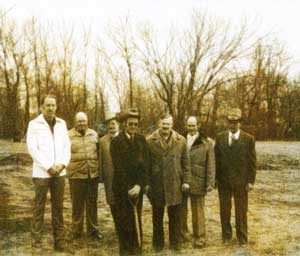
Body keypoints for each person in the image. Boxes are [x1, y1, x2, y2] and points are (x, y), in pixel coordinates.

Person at [26, 94, 71, 252]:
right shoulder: (34, 124)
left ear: (56, 107)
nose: (51, 108)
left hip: (59, 173)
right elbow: (32, 148)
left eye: (53, 105)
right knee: (39, 208)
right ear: (41, 107)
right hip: (41, 174)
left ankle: (60, 241)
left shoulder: (61, 124)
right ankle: (36, 243)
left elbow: (66, 147)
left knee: (58, 209)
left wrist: (62, 164)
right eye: (48, 105)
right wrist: (47, 167)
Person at [147, 114, 191, 252]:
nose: (165, 127)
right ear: (158, 124)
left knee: (175, 217)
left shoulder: (181, 141)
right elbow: (146, 166)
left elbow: (186, 163)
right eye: (163, 124)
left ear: (172, 125)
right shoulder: (149, 141)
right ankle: (158, 245)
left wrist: (186, 181)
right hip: (157, 185)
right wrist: (147, 184)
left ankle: (175, 243)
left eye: (168, 124)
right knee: (157, 217)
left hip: (175, 184)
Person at [110, 108, 150, 256]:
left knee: (136, 217)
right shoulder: (116, 142)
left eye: (135, 124)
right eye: (130, 124)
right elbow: (119, 168)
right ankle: (125, 249)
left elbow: (145, 165)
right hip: (122, 188)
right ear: (124, 125)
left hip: (137, 189)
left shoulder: (141, 140)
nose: (133, 127)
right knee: (124, 219)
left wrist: (139, 185)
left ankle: (136, 247)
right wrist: (129, 188)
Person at [215, 108, 256, 247]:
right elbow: (216, 160)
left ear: (240, 123)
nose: (232, 125)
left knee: (241, 211)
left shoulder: (248, 139)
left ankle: (242, 237)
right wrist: (216, 178)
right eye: (230, 122)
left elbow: (252, 162)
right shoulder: (220, 138)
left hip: (241, 182)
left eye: (235, 122)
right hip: (223, 181)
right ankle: (226, 236)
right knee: (224, 210)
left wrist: (250, 181)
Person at [181, 116, 215, 248]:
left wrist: (210, 182)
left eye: (193, 125)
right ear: (186, 126)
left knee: (198, 211)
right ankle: (183, 234)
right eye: (189, 125)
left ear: (198, 125)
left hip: (198, 180)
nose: (191, 128)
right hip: (183, 180)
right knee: (182, 210)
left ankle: (199, 237)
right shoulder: (180, 140)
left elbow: (211, 164)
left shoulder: (206, 142)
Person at [67, 112, 102, 241]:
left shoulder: (94, 134)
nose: (82, 123)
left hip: (92, 175)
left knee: (92, 204)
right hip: (76, 175)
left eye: (84, 121)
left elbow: (99, 152)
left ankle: (93, 231)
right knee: (77, 205)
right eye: (79, 121)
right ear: (75, 122)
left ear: (87, 121)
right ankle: (76, 231)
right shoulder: (68, 135)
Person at [99, 113, 119, 225]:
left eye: (114, 123)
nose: (112, 125)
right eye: (109, 124)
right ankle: (117, 225)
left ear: (119, 125)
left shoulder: (123, 138)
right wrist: (102, 178)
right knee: (112, 201)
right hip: (109, 177)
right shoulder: (102, 141)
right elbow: (101, 159)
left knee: (123, 201)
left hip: (123, 177)